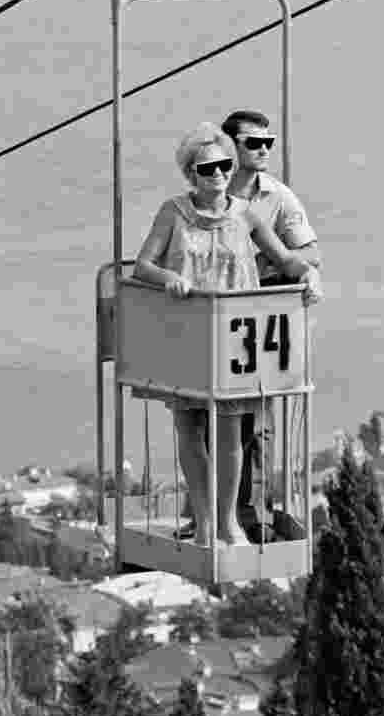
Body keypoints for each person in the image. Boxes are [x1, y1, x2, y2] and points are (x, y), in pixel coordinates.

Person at [134, 123, 321, 546]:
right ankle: (203, 521)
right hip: (186, 330)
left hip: (235, 335)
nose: (217, 174)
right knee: (190, 427)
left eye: (223, 166)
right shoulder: (173, 213)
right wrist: (168, 278)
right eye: (207, 169)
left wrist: (308, 274)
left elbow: (285, 258)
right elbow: (143, 265)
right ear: (191, 174)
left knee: (231, 430)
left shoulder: (245, 214)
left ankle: (227, 521)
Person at [222, 109, 320, 534]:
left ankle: (254, 515)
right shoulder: (208, 190)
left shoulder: (277, 197)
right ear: (230, 147)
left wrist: (269, 266)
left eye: (269, 143)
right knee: (211, 423)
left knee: (257, 423)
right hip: (213, 318)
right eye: (252, 143)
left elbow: (306, 253)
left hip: (256, 322)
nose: (263, 150)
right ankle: (214, 513)